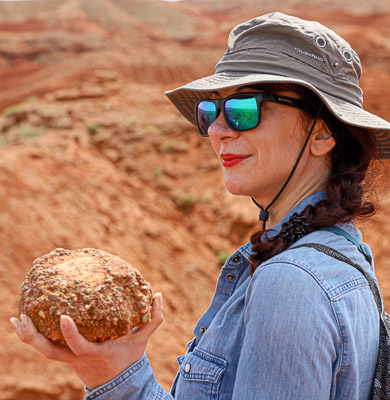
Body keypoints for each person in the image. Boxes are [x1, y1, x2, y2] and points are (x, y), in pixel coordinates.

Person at [10, 12, 390, 400]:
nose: (217, 130)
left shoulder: (291, 283)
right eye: (210, 113)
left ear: (323, 132)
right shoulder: (342, 250)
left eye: (244, 110)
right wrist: (111, 371)